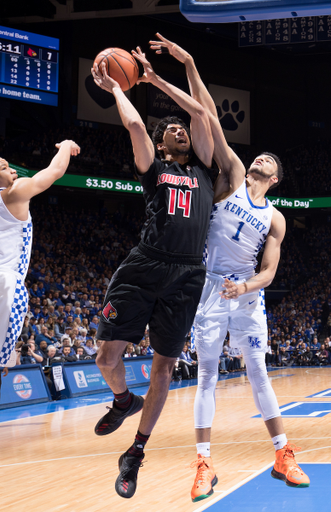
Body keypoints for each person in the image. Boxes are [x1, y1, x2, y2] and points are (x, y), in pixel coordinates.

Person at [149, 33, 310, 500]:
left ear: (275, 179)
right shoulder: (234, 177)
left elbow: (271, 271)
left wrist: (250, 288)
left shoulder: (275, 218)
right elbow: (210, 119)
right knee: (207, 376)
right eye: (259, 154)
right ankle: (203, 464)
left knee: (259, 372)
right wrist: (188, 63)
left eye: (269, 161)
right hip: (209, 288)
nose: (261, 158)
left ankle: (283, 453)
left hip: (248, 294)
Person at [91, 45, 214, 499]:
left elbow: (201, 113)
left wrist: (157, 80)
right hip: (144, 265)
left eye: (182, 129)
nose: (180, 130)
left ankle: (135, 453)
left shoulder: (204, 167)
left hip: (187, 274)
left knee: (164, 367)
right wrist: (117, 88)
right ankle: (124, 401)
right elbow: (136, 125)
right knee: (106, 358)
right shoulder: (153, 168)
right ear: (163, 145)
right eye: (173, 130)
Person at [0, 140, 80, 417]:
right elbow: (54, 171)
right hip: (3, 285)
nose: (13, 172)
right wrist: (66, 146)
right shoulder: (13, 193)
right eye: (5, 168)